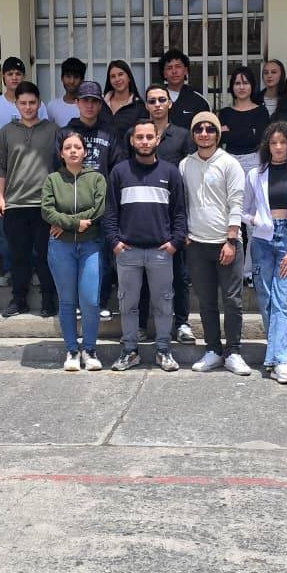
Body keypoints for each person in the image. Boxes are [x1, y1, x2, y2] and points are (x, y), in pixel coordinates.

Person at [105, 119, 187, 373]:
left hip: (161, 252)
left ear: (157, 139)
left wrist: (174, 243)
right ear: (132, 141)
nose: (144, 142)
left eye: (149, 137)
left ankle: (163, 350)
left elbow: (180, 213)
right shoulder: (119, 172)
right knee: (127, 305)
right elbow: (110, 213)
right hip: (127, 251)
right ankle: (130, 351)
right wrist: (115, 242)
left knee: (163, 304)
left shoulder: (170, 173)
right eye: (139, 137)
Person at [180, 110, 251, 376]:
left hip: (226, 242)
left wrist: (231, 239)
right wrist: (184, 233)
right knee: (206, 300)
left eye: (210, 129)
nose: (204, 134)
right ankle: (213, 349)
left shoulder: (229, 163)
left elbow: (237, 203)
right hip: (197, 243)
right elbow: (183, 201)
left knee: (232, 300)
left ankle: (233, 352)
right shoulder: (185, 165)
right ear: (193, 134)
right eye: (199, 129)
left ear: (218, 134)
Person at [243, 122, 287, 384]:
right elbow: (243, 209)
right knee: (267, 299)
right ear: (267, 146)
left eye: (283, 142)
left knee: (283, 299)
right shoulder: (255, 174)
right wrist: (255, 220)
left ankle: (280, 361)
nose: (279, 147)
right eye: (273, 143)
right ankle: (275, 358)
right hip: (262, 240)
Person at [41, 131, 106, 372]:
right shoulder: (53, 180)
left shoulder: (96, 178)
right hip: (61, 246)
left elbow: (98, 209)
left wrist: (69, 222)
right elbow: (47, 210)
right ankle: (71, 350)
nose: (73, 151)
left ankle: (89, 349)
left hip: (90, 245)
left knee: (90, 300)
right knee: (67, 300)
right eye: (68, 147)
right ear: (61, 153)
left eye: (77, 147)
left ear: (85, 152)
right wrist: (75, 223)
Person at [0, 80, 58, 320]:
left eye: (32, 102)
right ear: (16, 104)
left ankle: (49, 300)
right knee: (18, 256)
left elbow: (60, 166)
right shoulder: (6, 132)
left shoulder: (53, 130)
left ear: (39, 104)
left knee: (45, 256)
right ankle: (18, 300)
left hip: (45, 204)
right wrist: (0, 197)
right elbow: (0, 166)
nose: (28, 107)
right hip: (15, 203)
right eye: (23, 103)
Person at [137, 84, 194, 344]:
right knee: (143, 274)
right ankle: (141, 325)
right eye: (152, 101)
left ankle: (182, 324)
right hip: (144, 214)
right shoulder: (139, 134)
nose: (157, 104)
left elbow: (190, 179)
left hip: (174, 216)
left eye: (162, 100)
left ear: (170, 103)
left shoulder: (182, 136)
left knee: (179, 275)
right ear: (146, 105)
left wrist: (187, 223)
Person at [0, 56, 48, 287]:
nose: (14, 77)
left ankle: (37, 274)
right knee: (7, 235)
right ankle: (10, 272)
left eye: (18, 74)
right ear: (3, 77)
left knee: (38, 239)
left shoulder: (43, 113)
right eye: (9, 73)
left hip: (37, 185)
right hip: (7, 182)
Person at [66, 79, 124, 318]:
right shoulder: (65, 132)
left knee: (103, 257)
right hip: (73, 206)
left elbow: (118, 169)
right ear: (77, 102)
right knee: (74, 257)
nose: (89, 105)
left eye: (94, 101)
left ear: (100, 104)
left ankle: (101, 302)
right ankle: (78, 303)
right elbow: (56, 169)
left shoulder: (110, 133)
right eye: (85, 100)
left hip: (104, 205)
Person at [219, 66, 269, 281]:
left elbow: (259, 139)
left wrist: (234, 134)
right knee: (229, 215)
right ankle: (230, 267)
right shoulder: (225, 112)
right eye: (237, 83)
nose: (241, 87)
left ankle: (249, 270)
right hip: (230, 161)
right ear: (232, 86)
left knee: (251, 218)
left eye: (245, 82)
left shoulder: (261, 111)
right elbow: (222, 139)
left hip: (254, 162)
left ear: (252, 86)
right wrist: (247, 133)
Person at [160, 47, 210, 127]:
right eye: (169, 68)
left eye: (178, 66)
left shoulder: (199, 100)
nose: (174, 71)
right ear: (164, 73)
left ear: (186, 70)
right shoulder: (156, 98)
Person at [103, 60, 146, 134]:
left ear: (129, 78)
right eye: (113, 76)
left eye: (120, 74)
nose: (117, 79)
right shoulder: (101, 104)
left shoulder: (139, 106)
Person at [47, 56, 87, 128]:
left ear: (82, 80)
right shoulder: (52, 106)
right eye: (68, 76)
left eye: (76, 77)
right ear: (62, 78)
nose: (72, 81)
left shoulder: (89, 106)